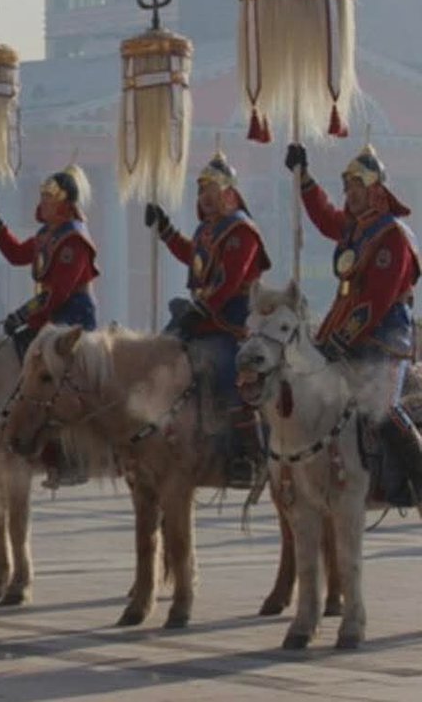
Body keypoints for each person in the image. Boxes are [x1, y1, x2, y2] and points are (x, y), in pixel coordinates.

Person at [286, 141, 422, 499]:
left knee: (381, 408)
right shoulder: (355, 228)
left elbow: (377, 299)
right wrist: (305, 179)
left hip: (384, 336)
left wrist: (340, 340)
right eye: (347, 187)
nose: (349, 194)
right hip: (345, 327)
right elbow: (325, 217)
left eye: (356, 186)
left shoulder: (393, 235)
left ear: (375, 189)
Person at [146, 151, 271, 486]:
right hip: (201, 318)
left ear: (228, 193)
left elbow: (229, 281)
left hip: (231, 323)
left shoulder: (242, 231)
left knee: (229, 375)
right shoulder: (207, 230)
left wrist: (201, 311)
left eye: (211, 191)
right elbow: (193, 257)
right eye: (201, 191)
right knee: (158, 355)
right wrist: (166, 229)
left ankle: (249, 456)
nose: (204, 197)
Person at [0, 163, 99, 356]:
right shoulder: (46, 235)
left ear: (64, 203)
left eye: (49, 197)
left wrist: (23, 316)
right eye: (43, 196)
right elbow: (16, 254)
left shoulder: (74, 240)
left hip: (73, 316)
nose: (43, 203)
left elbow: (58, 293)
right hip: (52, 313)